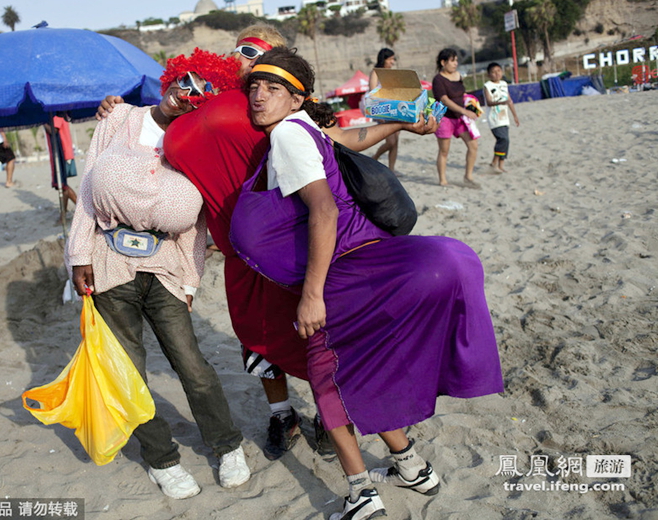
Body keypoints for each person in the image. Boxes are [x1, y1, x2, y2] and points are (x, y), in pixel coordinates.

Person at [98, 25, 438, 462]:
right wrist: (120, 108)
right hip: (235, 248)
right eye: (238, 48)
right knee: (255, 338)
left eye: (255, 51)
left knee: (315, 339)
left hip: (283, 245)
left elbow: (337, 141)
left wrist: (401, 123)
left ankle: (359, 430)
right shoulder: (208, 97)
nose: (244, 57)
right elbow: (158, 129)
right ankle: (283, 415)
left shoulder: (272, 111)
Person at [233, 47, 504, 520]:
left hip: (345, 272)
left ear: (297, 99)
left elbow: (324, 210)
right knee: (369, 364)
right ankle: (412, 467)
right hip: (373, 254)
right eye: (253, 87)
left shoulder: (286, 139)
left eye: (272, 88)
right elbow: (350, 139)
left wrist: (313, 294)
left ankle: (360, 494)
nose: (258, 96)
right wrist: (399, 124)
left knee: (326, 377)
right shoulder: (303, 129)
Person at [67, 49, 249, 500]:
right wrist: (77, 255)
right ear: (172, 76)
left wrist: (190, 280)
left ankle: (226, 445)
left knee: (192, 365)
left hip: (167, 266)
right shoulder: (118, 118)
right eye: (185, 81)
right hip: (109, 261)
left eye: (201, 94)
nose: (187, 94)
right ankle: (161, 458)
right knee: (129, 370)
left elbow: (202, 221)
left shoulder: (198, 143)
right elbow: (88, 188)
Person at [432, 48, 481, 188]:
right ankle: (442, 180)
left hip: (461, 118)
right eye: (452, 61)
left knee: (473, 145)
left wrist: (472, 106)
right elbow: (444, 100)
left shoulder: (458, 76)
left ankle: (468, 176)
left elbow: (462, 93)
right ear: (443, 62)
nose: (455, 64)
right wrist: (464, 112)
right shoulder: (438, 80)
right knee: (444, 150)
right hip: (445, 118)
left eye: (456, 60)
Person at [368, 48, 401, 173]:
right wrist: (378, 112)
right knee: (391, 141)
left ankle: (392, 169)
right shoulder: (376, 72)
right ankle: (374, 158)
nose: (392, 62)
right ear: (384, 59)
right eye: (390, 59)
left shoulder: (392, 73)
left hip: (395, 109)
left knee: (396, 141)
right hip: (383, 109)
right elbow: (372, 92)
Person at [483, 62, 520, 173]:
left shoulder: (504, 84)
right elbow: (489, 102)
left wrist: (515, 115)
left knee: (506, 141)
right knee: (503, 139)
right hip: (494, 118)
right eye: (493, 72)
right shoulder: (487, 86)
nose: (496, 74)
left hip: (504, 117)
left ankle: (500, 164)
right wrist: (501, 102)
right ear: (489, 75)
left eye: (498, 71)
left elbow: (509, 101)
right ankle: (494, 162)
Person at [45, 116, 78, 216]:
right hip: (61, 153)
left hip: (63, 153)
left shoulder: (56, 114)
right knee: (62, 185)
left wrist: (42, 122)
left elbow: (53, 129)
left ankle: (82, 210)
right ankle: (63, 214)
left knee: (63, 185)